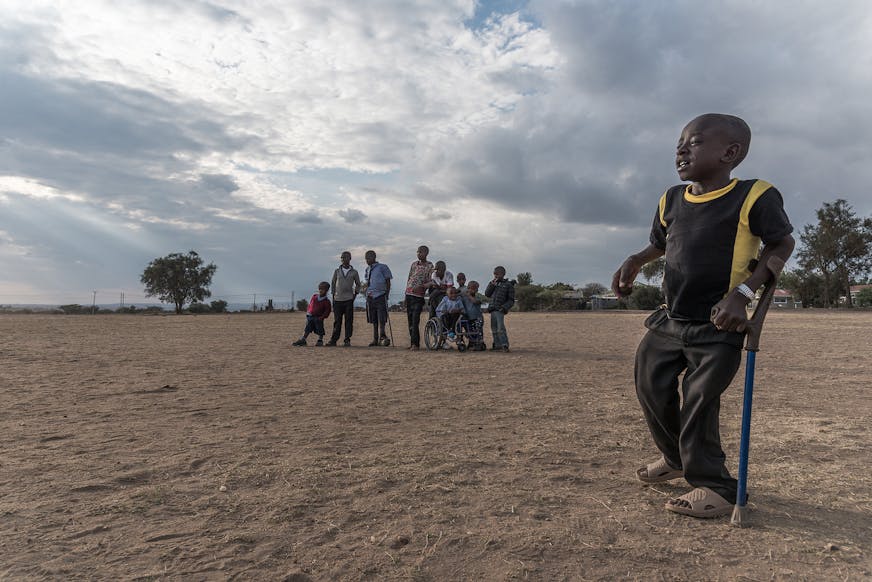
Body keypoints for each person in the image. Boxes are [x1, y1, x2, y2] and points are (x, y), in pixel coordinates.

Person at [612, 113, 794, 519]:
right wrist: (636, 260)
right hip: (670, 319)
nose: (680, 149)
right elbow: (658, 243)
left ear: (730, 153)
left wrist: (743, 294)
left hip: (718, 324)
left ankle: (716, 486)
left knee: (699, 401)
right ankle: (675, 458)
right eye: (679, 142)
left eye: (693, 142)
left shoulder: (753, 196)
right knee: (651, 387)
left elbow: (782, 243)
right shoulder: (671, 199)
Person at [326, 251, 361, 347]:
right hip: (337, 300)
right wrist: (333, 295)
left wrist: (355, 294)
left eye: (345, 257)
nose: (343, 259)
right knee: (337, 321)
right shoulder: (337, 271)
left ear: (350, 258)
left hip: (349, 300)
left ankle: (347, 340)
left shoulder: (354, 272)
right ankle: (333, 340)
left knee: (349, 321)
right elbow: (333, 283)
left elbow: (358, 284)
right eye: (342, 257)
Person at [404, 245, 434, 350]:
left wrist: (422, 287)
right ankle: (412, 343)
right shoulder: (414, 264)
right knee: (409, 320)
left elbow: (432, 281)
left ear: (426, 253)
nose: (418, 254)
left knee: (415, 319)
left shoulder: (430, 266)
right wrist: (405, 294)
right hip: (409, 294)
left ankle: (416, 345)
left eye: (420, 252)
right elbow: (409, 278)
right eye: (417, 252)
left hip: (419, 296)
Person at [363, 250, 393, 347]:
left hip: (380, 295)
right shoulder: (367, 269)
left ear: (374, 257)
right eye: (366, 258)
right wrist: (367, 293)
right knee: (373, 319)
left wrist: (387, 294)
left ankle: (382, 336)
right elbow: (368, 282)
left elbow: (388, 281)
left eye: (368, 258)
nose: (367, 260)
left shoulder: (382, 267)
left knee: (382, 318)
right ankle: (375, 339)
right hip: (370, 297)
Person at [292, 282, 332, 347]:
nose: (320, 290)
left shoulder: (326, 301)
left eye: (323, 289)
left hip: (319, 318)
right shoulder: (314, 297)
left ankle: (320, 340)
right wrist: (308, 313)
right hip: (310, 316)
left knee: (320, 329)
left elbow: (327, 311)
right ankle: (303, 340)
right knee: (307, 328)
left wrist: (322, 317)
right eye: (320, 289)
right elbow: (310, 305)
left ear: (326, 290)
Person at [485, 266, 515, 352]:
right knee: (494, 329)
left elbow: (511, 300)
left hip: (500, 310)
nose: (496, 275)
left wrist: (504, 307)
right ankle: (497, 345)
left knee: (500, 328)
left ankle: (504, 345)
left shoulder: (508, 285)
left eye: (498, 274)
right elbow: (487, 294)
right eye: (494, 274)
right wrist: (492, 285)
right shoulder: (493, 283)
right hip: (492, 309)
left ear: (503, 274)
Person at [461, 280, 486, 351]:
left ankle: (480, 344)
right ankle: (471, 343)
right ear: (468, 288)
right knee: (470, 331)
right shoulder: (464, 297)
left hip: (478, 318)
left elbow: (475, 301)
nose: (475, 290)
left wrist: (469, 296)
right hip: (469, 318)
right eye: (473, 288)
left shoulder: (478, 296)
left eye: (476, 288)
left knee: (478, 331)